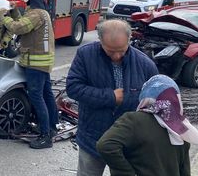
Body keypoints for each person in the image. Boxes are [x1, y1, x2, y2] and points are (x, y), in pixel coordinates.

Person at [66, 19, 159, 176]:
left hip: (128, 142)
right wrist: (110, 97)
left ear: (129, 40)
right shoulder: (85, 55)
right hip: (92, 137)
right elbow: (73, 88)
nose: (116, 56)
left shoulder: (145, 64)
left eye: (121, 51)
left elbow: (157, 101)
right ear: (100, 41)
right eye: (110, 51)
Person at [97, 74, 198, 176]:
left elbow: (105, 145)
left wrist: (125, 172)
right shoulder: (182, 128)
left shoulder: (133, 120)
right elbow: (184, 172)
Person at [0, 0, 57, 149]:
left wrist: (4, 16)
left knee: (36, 97)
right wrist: (15, 12)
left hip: (35, 63)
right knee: (47, 96)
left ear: (31, 0)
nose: (27, 6)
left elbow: (18, 27)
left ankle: (45, 136)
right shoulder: (42, 13)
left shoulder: (36, 14)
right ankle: (51, 127)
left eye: (27, 3)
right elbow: (23, 21)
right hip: (43, 63)